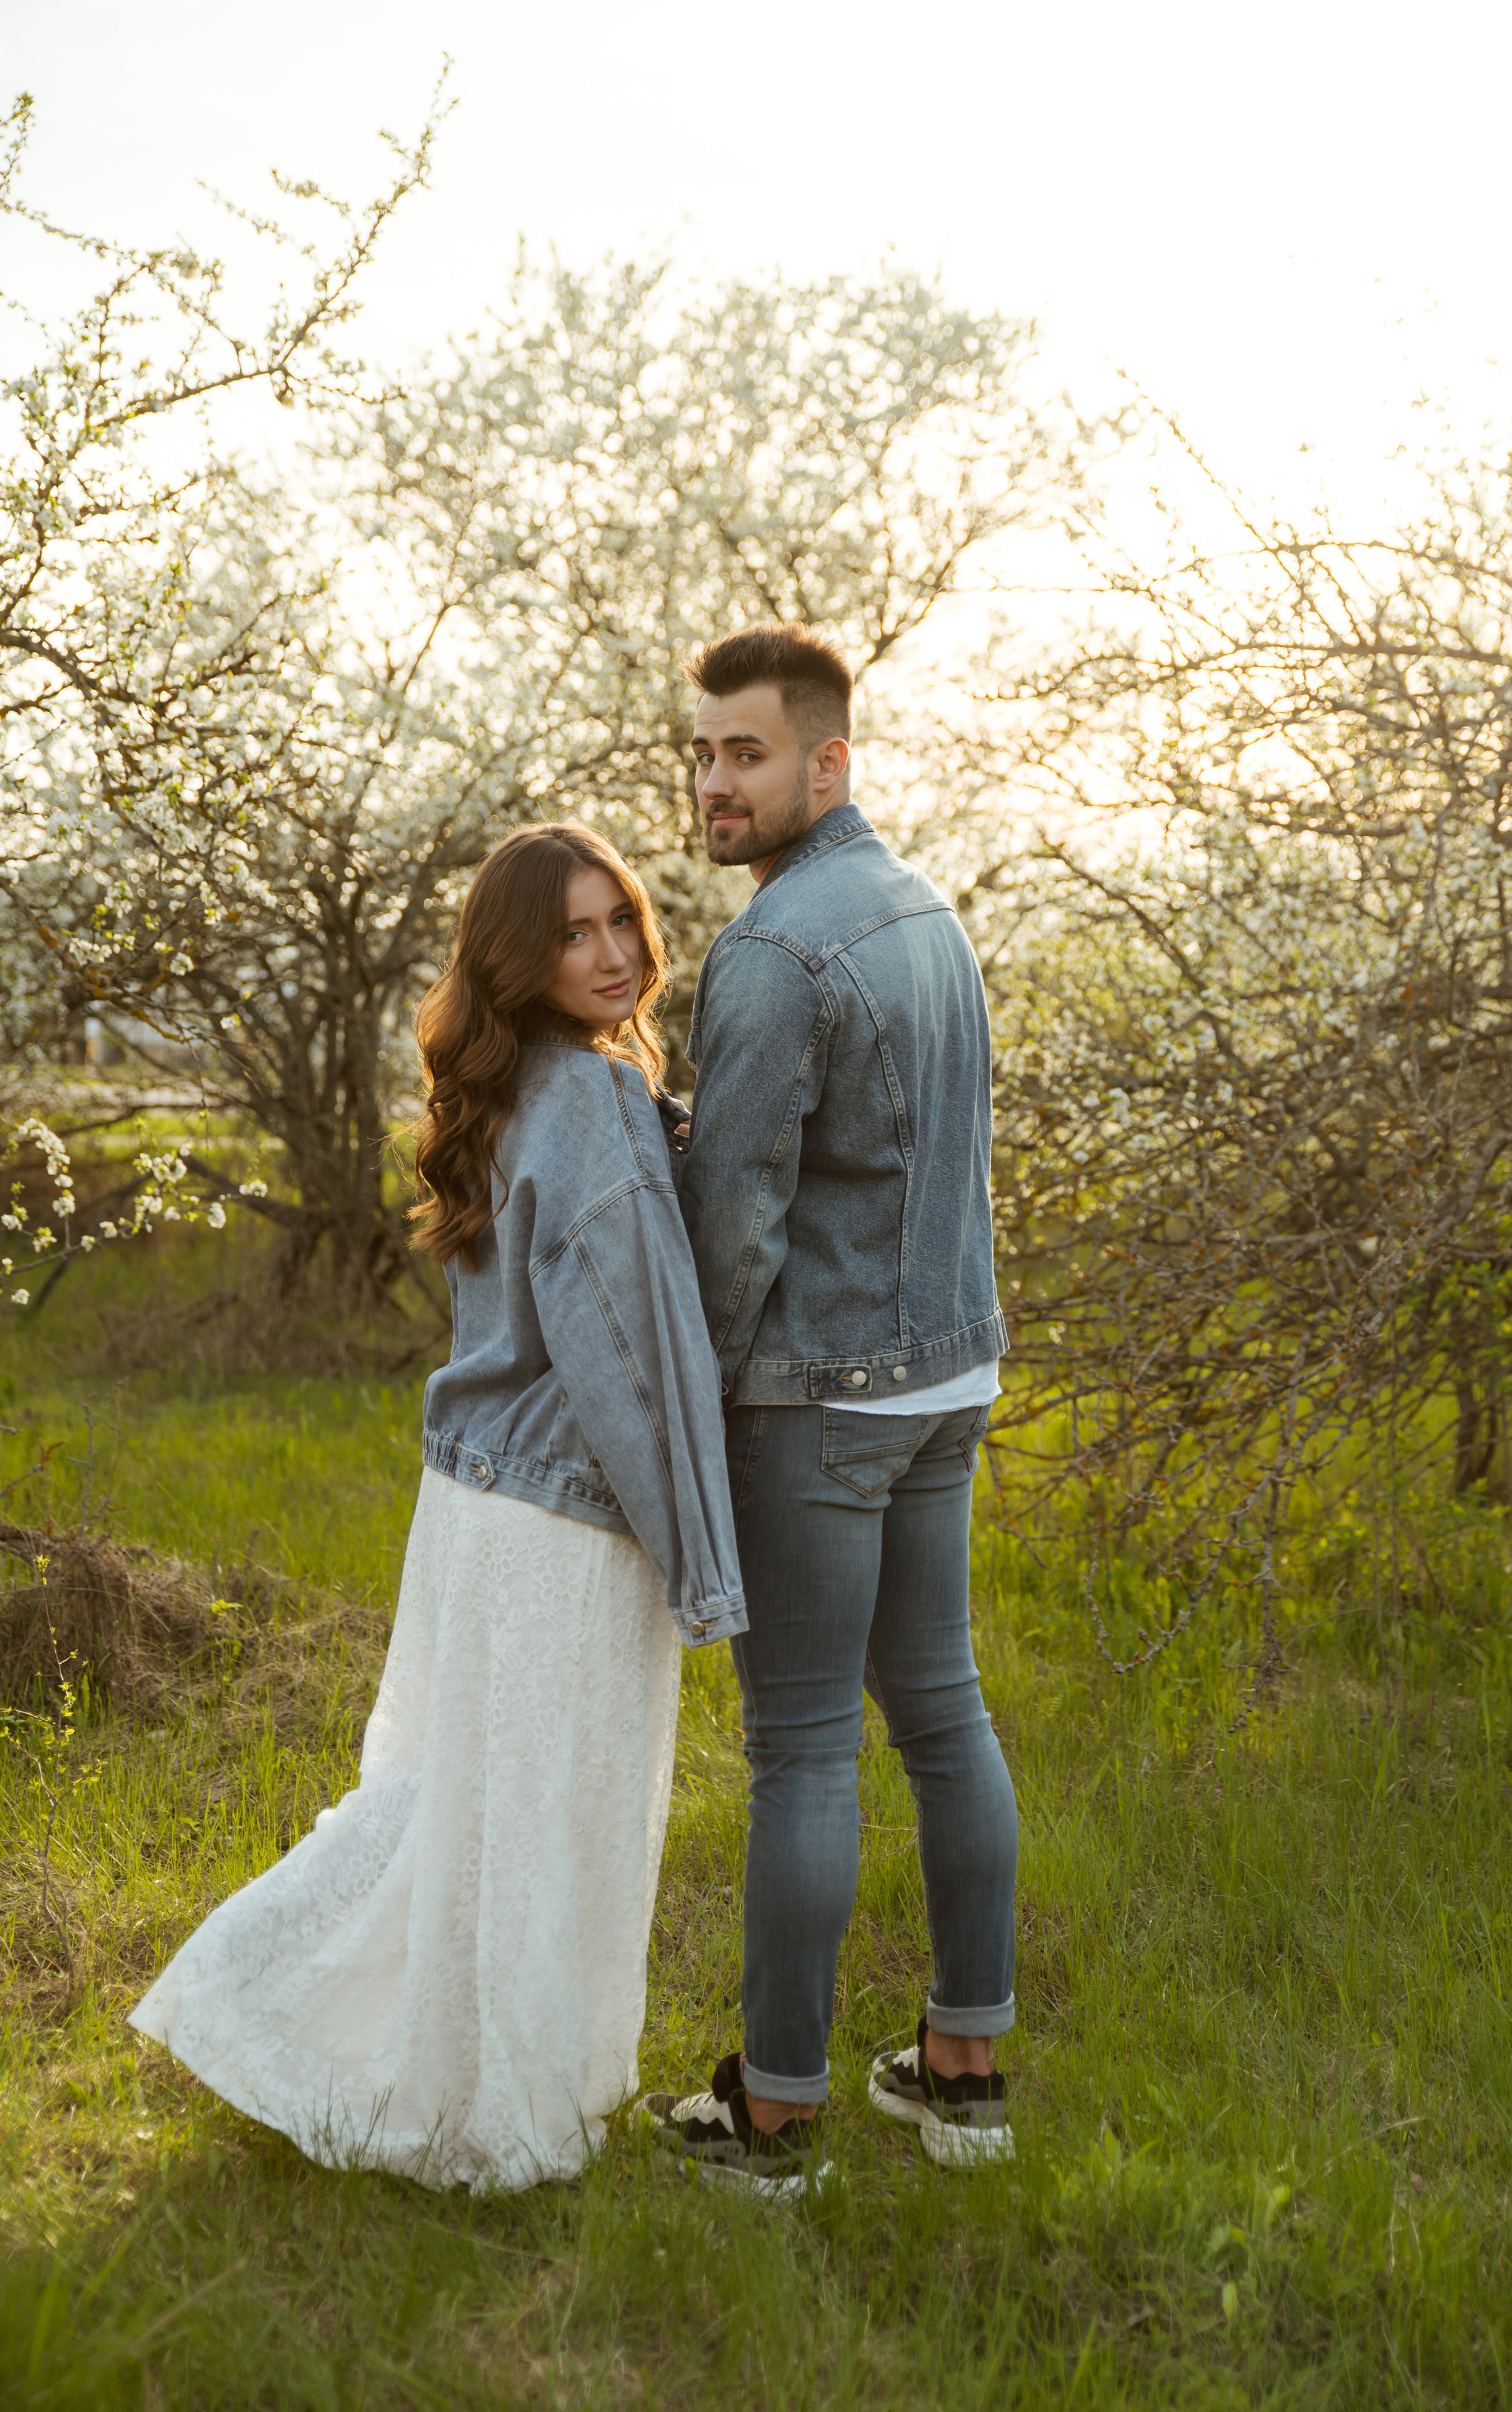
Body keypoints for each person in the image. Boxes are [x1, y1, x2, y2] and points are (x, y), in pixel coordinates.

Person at [132, 824, 745, 2191]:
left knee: (462, 1809)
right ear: (518, 961)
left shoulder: (526, 1086)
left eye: (621, 922)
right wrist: (701, 1561)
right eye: (573, 934)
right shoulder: (585, 1099)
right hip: (562, 1526)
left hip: (473, 1509)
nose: (611, 956)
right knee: (534, 1828)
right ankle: (485, 2110)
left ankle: (419, 2058)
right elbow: (625, 1366)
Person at [643, 624, 1018, 2198]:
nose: (718, 780)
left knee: (801, 1748)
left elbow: (735, 1226)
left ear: (826, 761)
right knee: (941, 1713)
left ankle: (775, 2119)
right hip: (949, 1376)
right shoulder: (924, 910)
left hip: (819, 1397)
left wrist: (689, 1399)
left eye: (749, 752)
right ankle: (961, 2074)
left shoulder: (776, 952)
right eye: (707, 752)